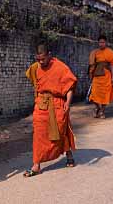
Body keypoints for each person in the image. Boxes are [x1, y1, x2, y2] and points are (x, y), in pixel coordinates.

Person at [24, 44, 77, 177]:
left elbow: (69, 85)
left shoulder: (60, 67)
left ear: (49, 54)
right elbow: (33, 79)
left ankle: (68, 154)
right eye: (38, 59)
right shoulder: (35, 67)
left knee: (60, 131)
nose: (41, 62)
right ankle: (36, 165)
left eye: (43, 59)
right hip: (41, 104)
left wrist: (68, 103)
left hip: (58, 103)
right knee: (39, 134)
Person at [88, 35, 113, 118]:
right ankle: (97, 107)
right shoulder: (95, 52)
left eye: (103, 42)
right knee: (93, 94)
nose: (101, 44)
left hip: (106, 76)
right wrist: (90, 75)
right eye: (100, 42)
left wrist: (112, 78)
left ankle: (102, 111)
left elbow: (112, 66)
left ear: (106, 43)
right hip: (96, 75)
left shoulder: (110, 52)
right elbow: (91, 65)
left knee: (105, 94)